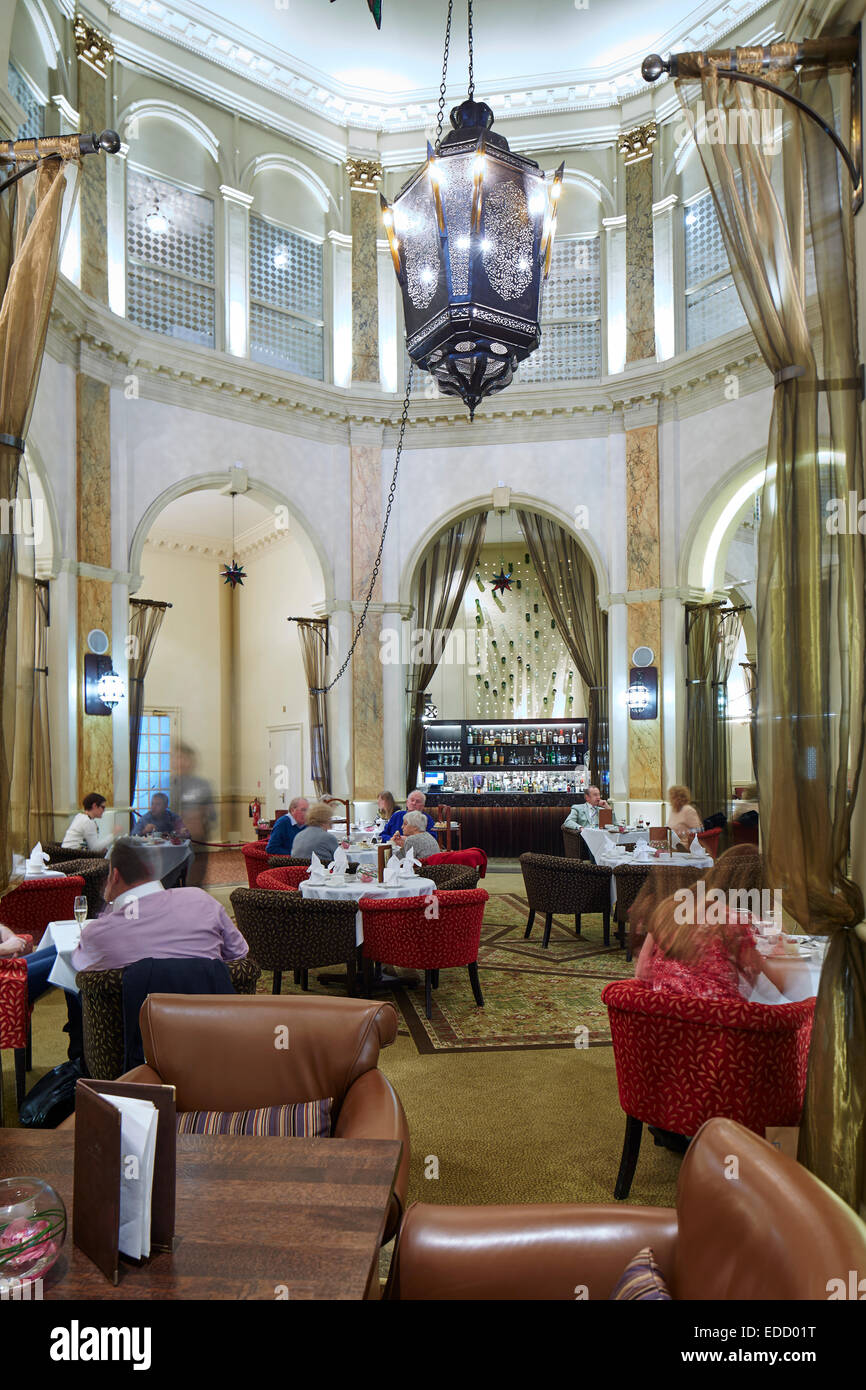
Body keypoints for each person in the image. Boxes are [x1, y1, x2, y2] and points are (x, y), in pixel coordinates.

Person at [72, 838, 248, 973]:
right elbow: (239, 953)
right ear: (151, 870)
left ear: (115, 875)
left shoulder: (98, 933)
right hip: (211, 1014)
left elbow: (79, 972)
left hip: (136, 1017)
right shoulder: (203, 900)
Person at [0, 925, 84, 1060]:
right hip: (4, 987)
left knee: (63, 951)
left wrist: (10, 938)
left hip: (5, 968)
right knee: (71, 959)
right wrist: (5, 948)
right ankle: (79, 1051)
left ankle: (79, 1046)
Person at [175, 744, 215, 888]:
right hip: (173, 843)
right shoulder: (168, 784)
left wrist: (201, 816)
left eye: (185, 758)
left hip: (198, 842)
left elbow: (212, 816)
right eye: (178, 758)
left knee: (195, 881)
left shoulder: (203, 785)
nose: (181, 762)